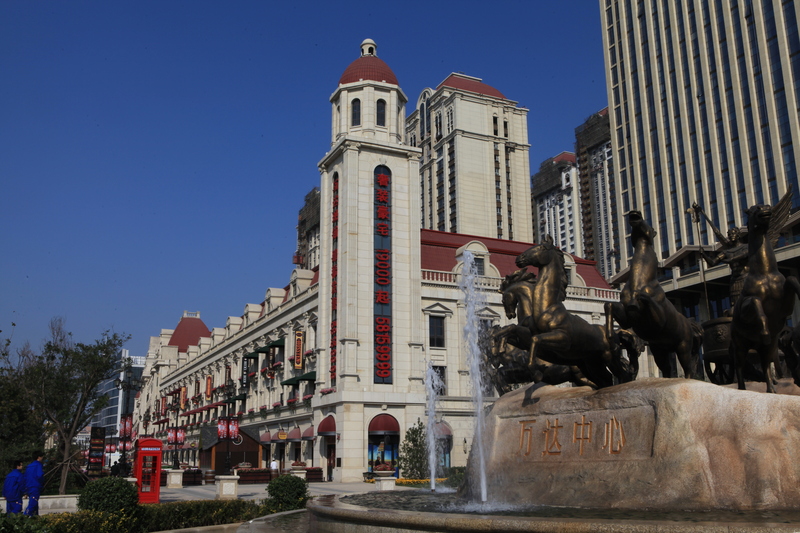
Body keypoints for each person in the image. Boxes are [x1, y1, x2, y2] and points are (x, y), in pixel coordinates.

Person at [23, 452, 44, 517]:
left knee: (34, 505)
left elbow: (25, 477)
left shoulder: (29, 466)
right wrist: (42, 483)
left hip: (28, 487)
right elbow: (39, 475)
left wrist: (25, 489)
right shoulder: (38, 465)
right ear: (39, 457)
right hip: (35, 486)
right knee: (32, 504)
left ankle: (35, 518)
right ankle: (24, 516)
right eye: (42, 457)